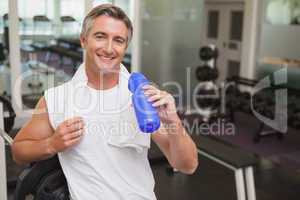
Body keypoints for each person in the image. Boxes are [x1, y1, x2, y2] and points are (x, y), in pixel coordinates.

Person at [11, 4, 198, 200]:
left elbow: (188, 165)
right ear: (84, 40)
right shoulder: (58, 99)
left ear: (125, 46)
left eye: (118, 40)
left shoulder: (143, 97)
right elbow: (18, 150)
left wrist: (173, 121)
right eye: (100, 36)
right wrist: (52, 144)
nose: (109, 48)